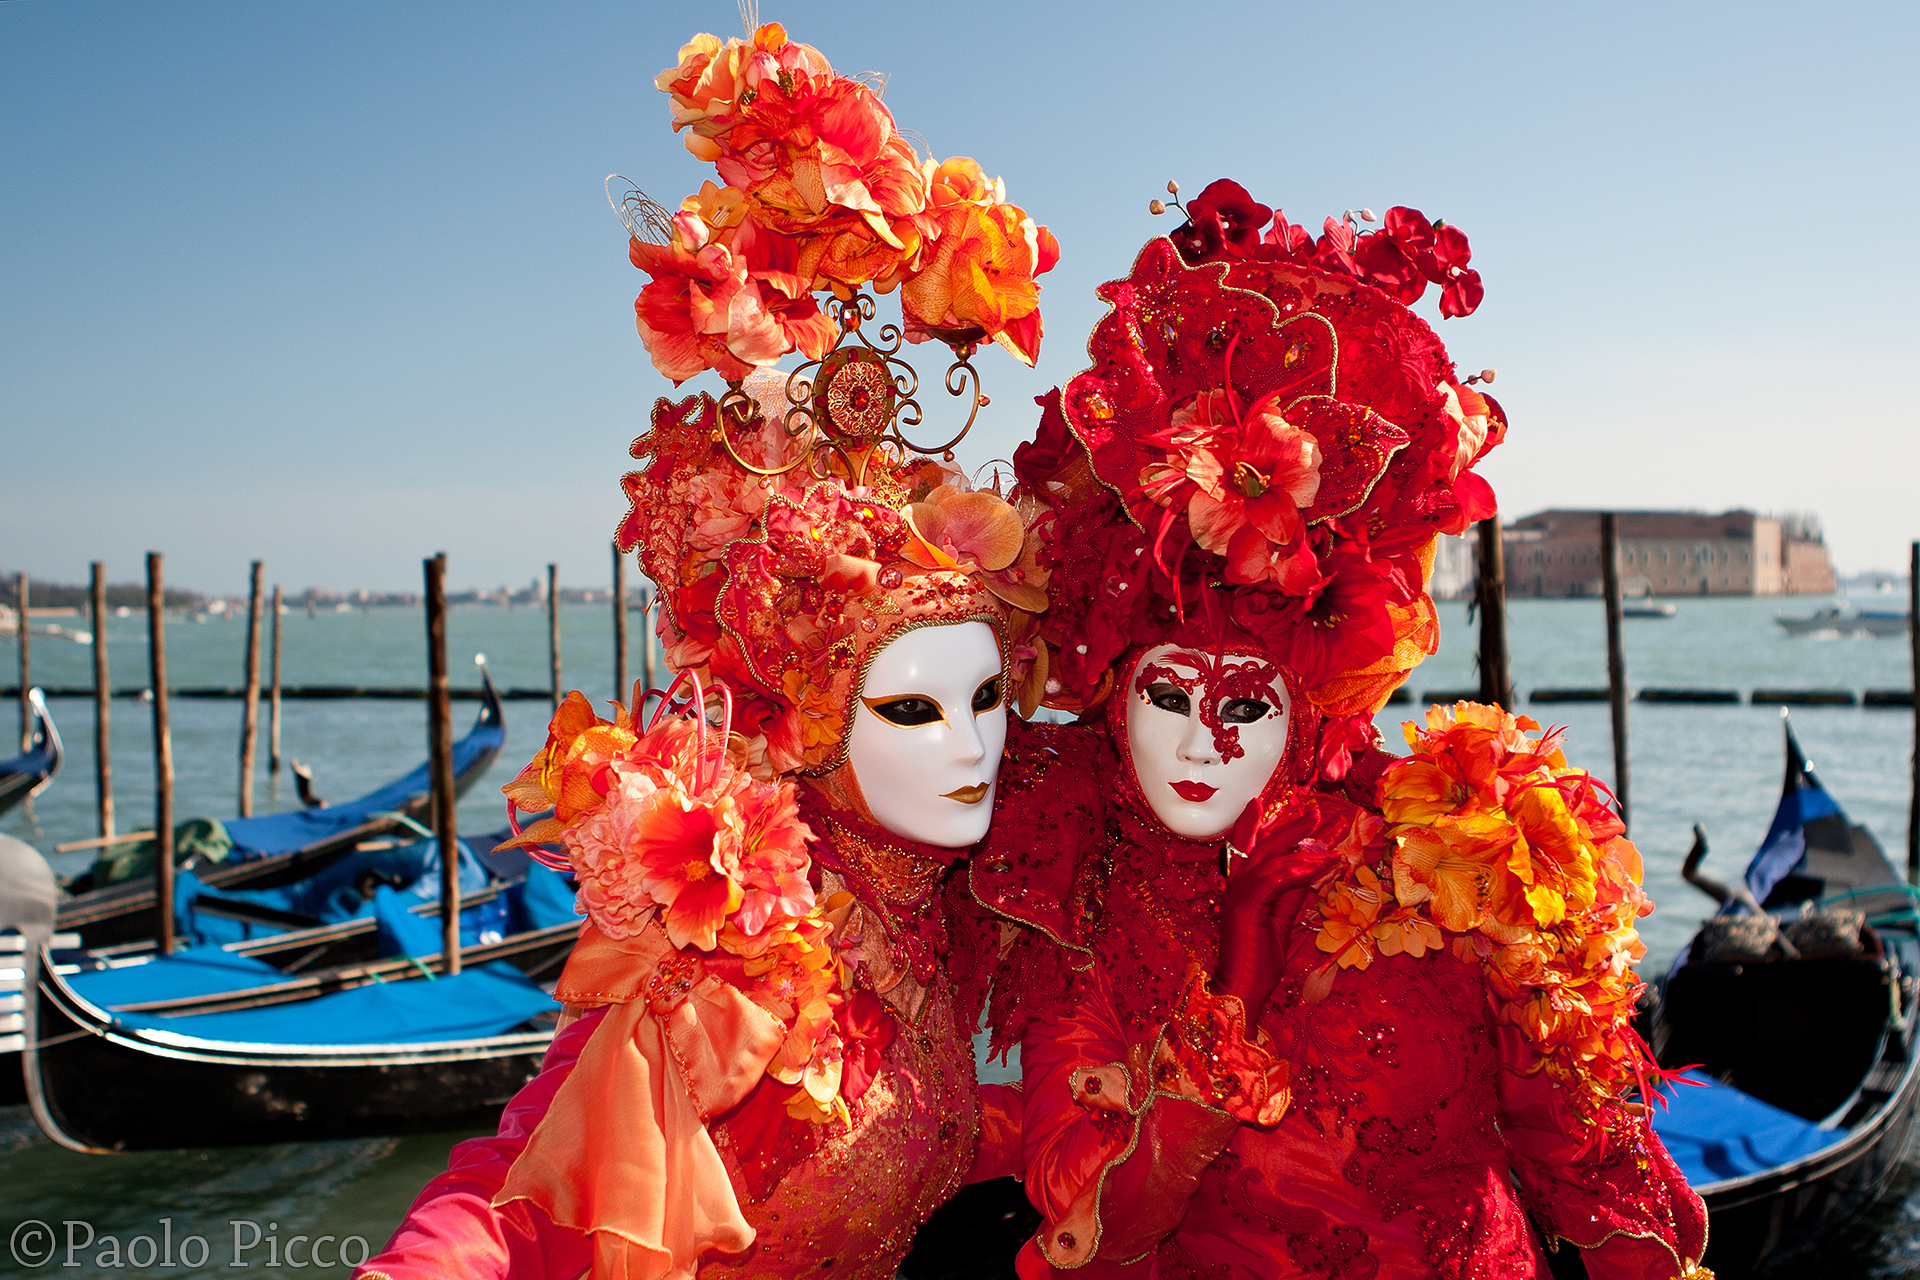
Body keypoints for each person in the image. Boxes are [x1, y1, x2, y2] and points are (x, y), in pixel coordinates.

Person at [357, 19, 1061, 1279]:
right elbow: (519, 1193)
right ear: (814, 720)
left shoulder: (940, 916)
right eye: (912, 710)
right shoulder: (733, 956)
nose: (973, 746)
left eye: (989, 697)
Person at [964, 181, 1709, 1280]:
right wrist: (1238, 982)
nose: (1201, 742)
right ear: (1113, 693)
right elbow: (1091, 1230)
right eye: (1167, 697)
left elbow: (1596, 1173)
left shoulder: (1458, 843)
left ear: (1313, 695)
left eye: (1246, 705)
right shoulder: (1081, 882)